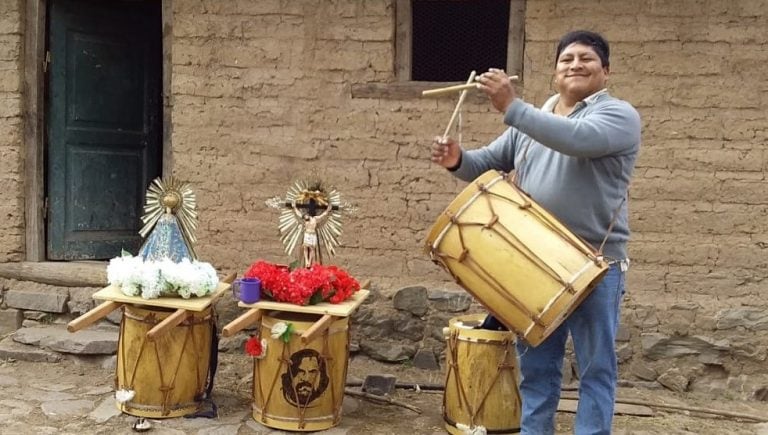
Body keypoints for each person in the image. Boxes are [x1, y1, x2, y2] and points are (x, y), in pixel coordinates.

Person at [431, 30, 641, 434]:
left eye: (586, 59)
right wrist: (458, 160)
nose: (575, 65)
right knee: (537, 367)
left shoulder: (618, 115)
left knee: (596, 368)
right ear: (555, 72)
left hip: (596, 263)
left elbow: (577, 140)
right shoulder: (537, 117)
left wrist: (512, 106)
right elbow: (488, 163)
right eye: (567, 59)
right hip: (537, 263)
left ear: (606, 71)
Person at [292, 200, 333, 266]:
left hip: (313, 234)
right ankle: (306, 260)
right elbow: (299, 214)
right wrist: (294, 207)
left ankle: (309, 261)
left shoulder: (315, 219)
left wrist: (327, 210)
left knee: (312, 248)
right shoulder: (305, 218)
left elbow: (323, 215)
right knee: (305, 247)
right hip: (307, 233)